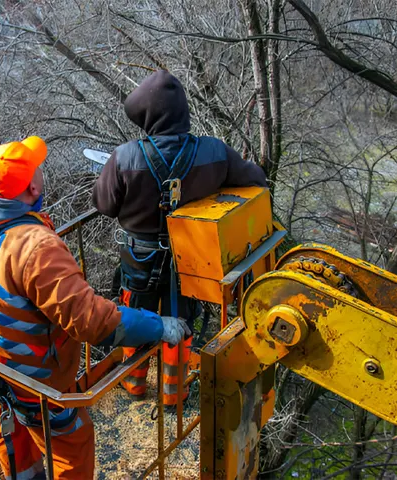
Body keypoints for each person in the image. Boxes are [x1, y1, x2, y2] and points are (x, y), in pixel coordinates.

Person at [0, 136, 190, 480]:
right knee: (72, 444)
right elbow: (92, 321)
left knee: (12, 435)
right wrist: (159, 326)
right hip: (37, 381)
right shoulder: (34, 247)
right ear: (33, 185)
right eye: (38, 168)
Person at [92, 70, 267, 407]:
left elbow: (103, 204)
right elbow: (255, 178)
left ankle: (135, 385)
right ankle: (174, 396)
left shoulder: (125, 157)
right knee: (180, 324)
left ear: (147, 117)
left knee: (136, 321)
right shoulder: (213, 151)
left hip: (140, 261)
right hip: (191, 262)